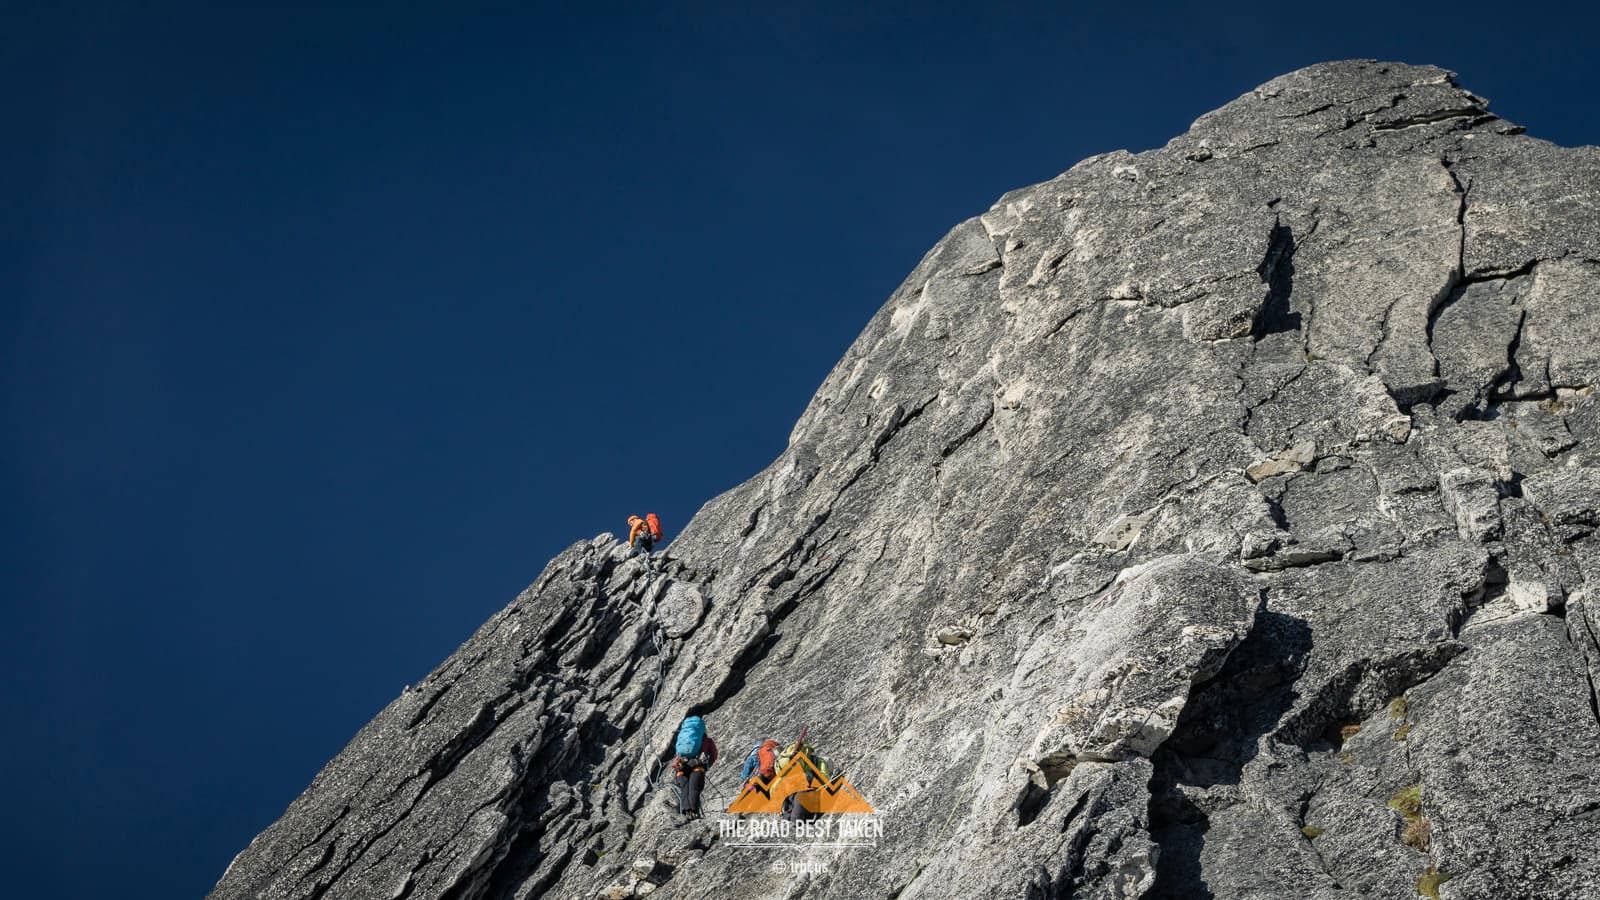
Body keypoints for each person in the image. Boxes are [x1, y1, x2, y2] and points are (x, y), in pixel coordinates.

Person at [674, 736, 718, 819]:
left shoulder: (683, 738)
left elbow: (678, 754)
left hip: (681, 768)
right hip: (697, 767)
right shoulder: (707, 740)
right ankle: (694, 812)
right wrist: (707, 766)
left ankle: (687, 811)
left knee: (684, 790)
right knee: (694, 789)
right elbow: (714, 755)